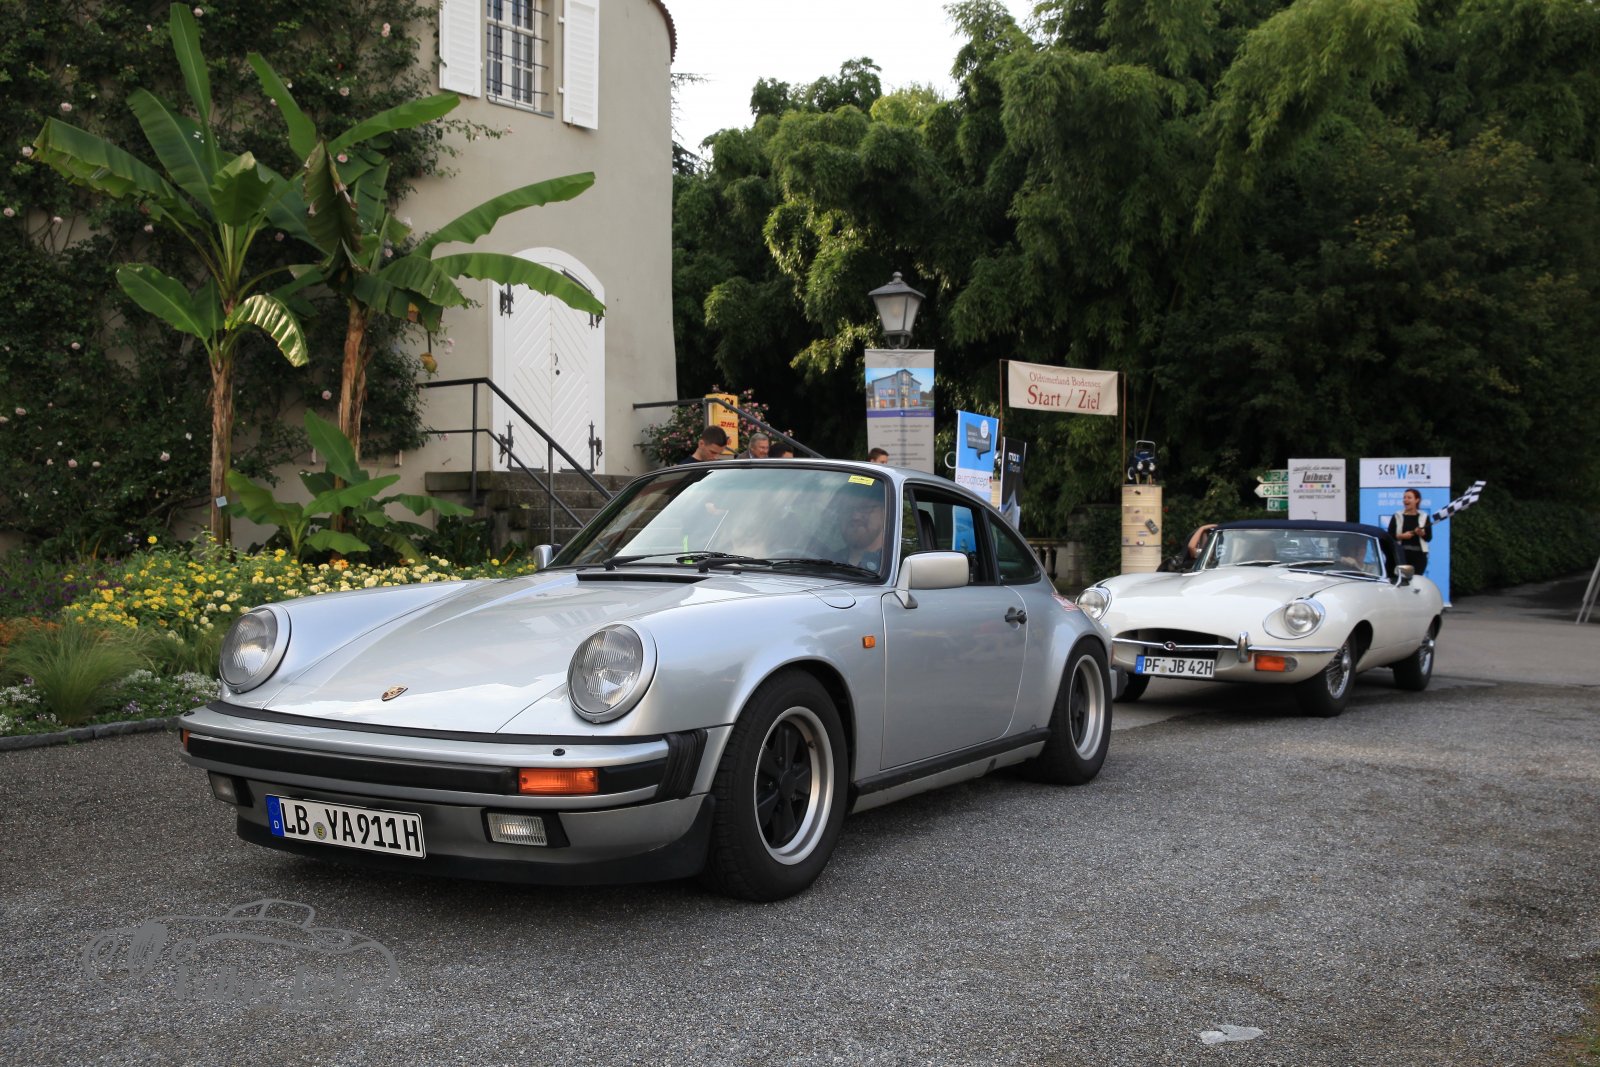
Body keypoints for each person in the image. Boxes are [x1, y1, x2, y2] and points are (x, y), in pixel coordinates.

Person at [1387, 488, 1431, 574]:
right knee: (1400, 578)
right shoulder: (1397, 516)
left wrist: (1421, 533)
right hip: (1400, 554)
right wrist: (1401, 536)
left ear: (1417, 500)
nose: (1405, 500)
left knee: (1416, 579)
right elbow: (1389, 536)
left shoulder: (1424, 516)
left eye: (1409, 497)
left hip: (1419, 556)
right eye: (1404, 497)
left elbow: (1429, 537)